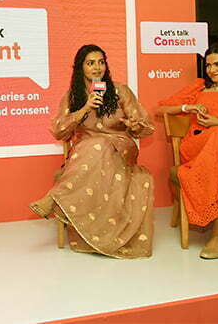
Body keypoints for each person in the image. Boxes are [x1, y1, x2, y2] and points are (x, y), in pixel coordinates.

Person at [30, 44, 155, 259]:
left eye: (101, 62)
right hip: (86, 152)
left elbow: (145, 126)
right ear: (81, 68)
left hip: (121, 147)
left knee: (99, 144)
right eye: (90, 63)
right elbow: (59, 131)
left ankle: (55, 198)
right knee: (94, 144)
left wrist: (134, 125)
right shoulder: (73, 96)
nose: (97, 67)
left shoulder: (121, 91)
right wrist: (85, 108)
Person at [157, 42, 218, 259]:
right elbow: (160, 109)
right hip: (197, 149)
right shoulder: (199, 88)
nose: (211, 70)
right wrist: (187, 107)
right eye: (208, 65)